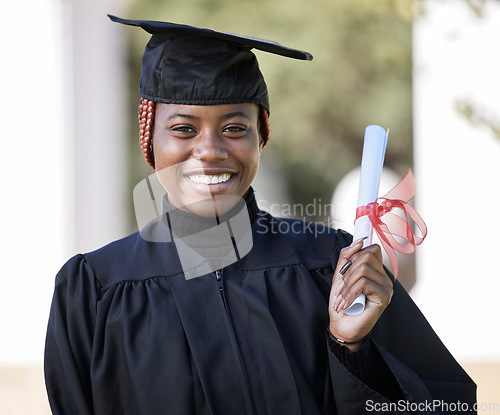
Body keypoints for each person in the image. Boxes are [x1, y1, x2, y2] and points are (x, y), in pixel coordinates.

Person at [44, 15, 476, 415]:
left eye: (234, 128)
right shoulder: (94, 292)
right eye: (183, 129)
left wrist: (352, 349)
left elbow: (448, 404)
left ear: (261, 138)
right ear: (149, 140)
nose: (211, 150)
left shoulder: (333, 267)